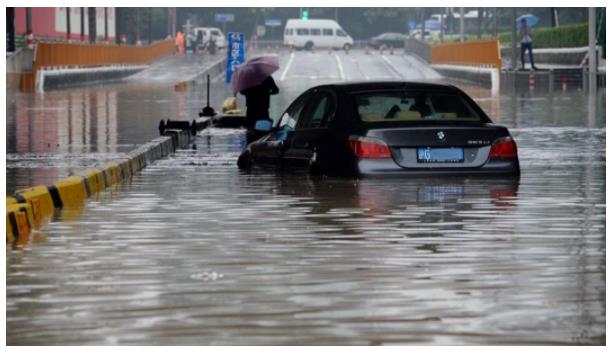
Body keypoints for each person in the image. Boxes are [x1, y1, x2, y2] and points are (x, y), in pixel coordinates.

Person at [240, 76, 280, 142]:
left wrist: (249, 92)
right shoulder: (267, 77)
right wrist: (267, 93)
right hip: (263, 107)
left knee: (250, 130)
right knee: (264, 132)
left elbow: (242, 91)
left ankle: (250, 146)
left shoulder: (247, 78)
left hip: (251, 107)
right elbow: (276, 90)